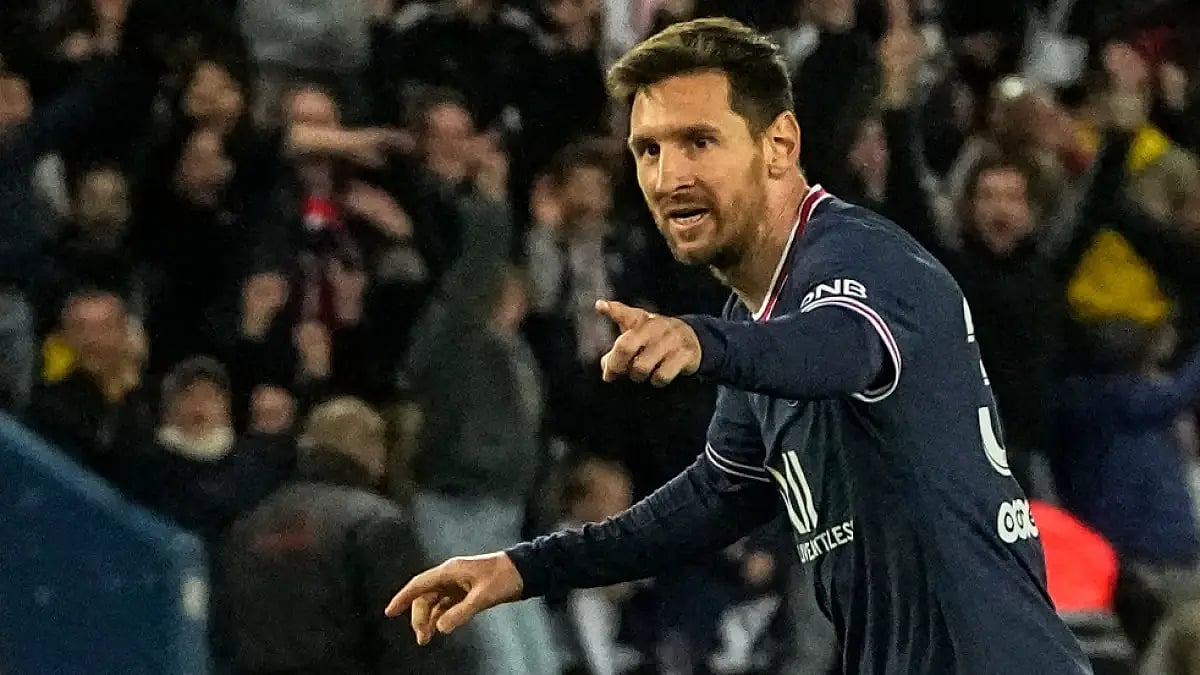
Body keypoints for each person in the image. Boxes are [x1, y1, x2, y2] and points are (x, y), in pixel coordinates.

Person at [386, 17, 1091, 674]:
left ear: (779, 144)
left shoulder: (863, 260)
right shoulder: (762, 314)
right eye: (648, 150)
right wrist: (521, 568)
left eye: (700, 141)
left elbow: (839, 349)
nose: (670, 177)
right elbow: (711, 497)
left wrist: (703, 340)